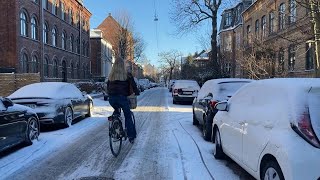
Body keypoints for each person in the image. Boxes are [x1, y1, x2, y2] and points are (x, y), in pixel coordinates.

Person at [107, 57, 140, 144]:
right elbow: (134, 86)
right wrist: (136, 92)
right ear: (123, 65)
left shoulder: (111, 76)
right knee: (128, 116)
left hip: (112, 99)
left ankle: (115, 127)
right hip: (122, 99)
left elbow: (107, 88)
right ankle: (131, 136)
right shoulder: (127, 75)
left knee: (116, 110)